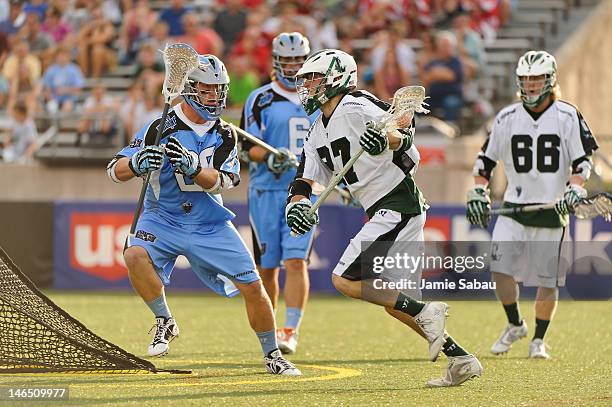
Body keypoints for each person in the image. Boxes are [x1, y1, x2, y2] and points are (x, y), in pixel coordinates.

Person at [286, 48, 483, 386]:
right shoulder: (317, 128)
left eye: (314, 78)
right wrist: (297, 206)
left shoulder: (356, 104)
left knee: (344, 280)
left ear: (337, 77)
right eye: (306, 80)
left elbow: (404, 132)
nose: (308, 85)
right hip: (387, 209)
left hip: (397, 204)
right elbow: (304, 179)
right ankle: (461, 358)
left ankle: (427, 312)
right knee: (397, 303)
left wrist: (385, 141)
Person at [106, 53, 300, 376]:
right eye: (206, 89)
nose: (214, 96)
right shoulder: (159, 125)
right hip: (162, 216)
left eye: (218, 89)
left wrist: (195, 168)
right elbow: (114, 170)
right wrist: (138, 162)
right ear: (190, 88)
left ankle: (273, 354)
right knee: (134, 255)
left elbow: (223, 181)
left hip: (208, 222)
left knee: (253, 286)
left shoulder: (225, 134)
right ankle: (164, 319)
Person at [466, 51, 599, 359]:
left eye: (537, 78)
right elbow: (484, 162)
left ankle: (538, 339)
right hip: (514, 207)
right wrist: (477, 191)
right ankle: (515, 324)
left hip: (553, 210)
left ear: (550, 79)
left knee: (547, 281)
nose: (531, 84)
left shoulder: (567, 115)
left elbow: (583, 162)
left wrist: (575, 189)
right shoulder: (507, 117)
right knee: (499, 269)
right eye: (526, 78)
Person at [240, 32, 315, 355]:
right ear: (276, 62)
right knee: (267, 267)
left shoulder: (319, 100)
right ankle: (270, 332)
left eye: (299, 60)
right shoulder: (260, 99)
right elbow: (245, 146)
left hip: (306, 190)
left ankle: (291, 330)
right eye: (287, 61)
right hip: (266, 190)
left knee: (296, 261)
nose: (293, 66)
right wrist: (269, 156)